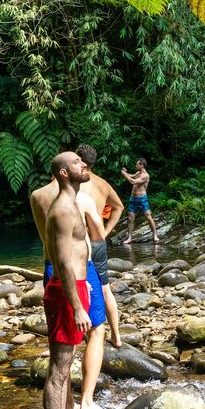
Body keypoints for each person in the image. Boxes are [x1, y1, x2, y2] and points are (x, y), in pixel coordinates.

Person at [30, 152, 108, 409]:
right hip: (73, 278)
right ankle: (84, 404)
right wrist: (77, 306)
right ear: (63, 172)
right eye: (76, 162)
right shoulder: (72, 204)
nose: (83, 165)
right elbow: (76, 251)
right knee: (92, 335)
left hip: (55, 271)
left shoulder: (38, 196)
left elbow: (50, 244)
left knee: (64, 355)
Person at [76, 142, 124, 347]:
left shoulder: (73, 181)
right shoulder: (103, 184)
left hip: (80, 244)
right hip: (99, 242)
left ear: (79, 160)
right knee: (105, 290)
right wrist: (105, 231)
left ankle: (79, 338)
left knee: (78, 288)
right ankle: (116, 336)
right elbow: (118, 207)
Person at [121, 157, 158, 244]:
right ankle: (129, 238)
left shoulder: (145, 176)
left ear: (142, 165)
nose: (136, 165)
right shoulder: (138, 173)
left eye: (137, 164)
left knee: (148, 217)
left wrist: (124, 174)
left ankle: (155, 235)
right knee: (130, 219)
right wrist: (125, 172)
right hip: (133, 199)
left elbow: (133, 182)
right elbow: (132, 176)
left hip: (142, 199)